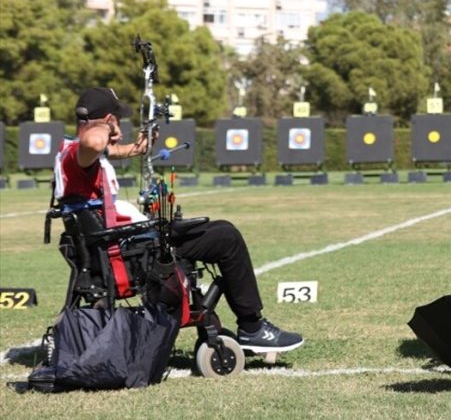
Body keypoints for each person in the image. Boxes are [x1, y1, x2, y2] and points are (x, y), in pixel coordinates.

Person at [56, 87, 303, 353]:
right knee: (226, 237)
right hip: (132, 251)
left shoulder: (75, 154)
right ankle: (252, 328)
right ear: (106, 119)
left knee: (218, 229)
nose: (119, 123)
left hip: (128, 243)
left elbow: (107, 150)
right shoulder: (78, 154)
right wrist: (107, 128)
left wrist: (139, 146)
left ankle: (248, 325)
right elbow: (92, 143)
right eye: (115, 117)